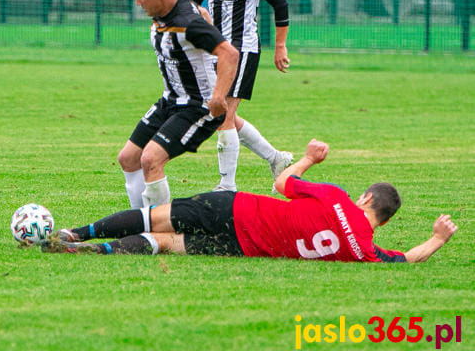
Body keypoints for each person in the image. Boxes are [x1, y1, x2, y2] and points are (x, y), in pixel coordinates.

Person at [45, 139, 458, 263]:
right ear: (382, 221)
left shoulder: (336, 199)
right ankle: (94, 250)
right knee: (168, 243)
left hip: (239, 209)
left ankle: (76, 233)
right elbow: (406, 259)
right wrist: (438, 238)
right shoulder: (364, 251)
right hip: (246, 248)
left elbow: (282, 183)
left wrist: (309, 160)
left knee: (155, 217)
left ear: (366, 198)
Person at [118, 0, 239, 209]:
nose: (138, 3)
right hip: (170, 100)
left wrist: (218, 97)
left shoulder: (187, 22)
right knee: (129, 158)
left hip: (197, 106)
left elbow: (229, 53)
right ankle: (140, 221)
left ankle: (158, 231)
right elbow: (203, 15)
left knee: (150, 159)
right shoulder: (167, 11)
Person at [188, 0, 292, 192]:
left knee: (222, 114)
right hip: (213, 51)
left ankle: (227, 186)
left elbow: (280, 4)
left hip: (242, 50)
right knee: (220, 112)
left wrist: (279, 46)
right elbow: (192, 2)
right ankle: (277, 158)